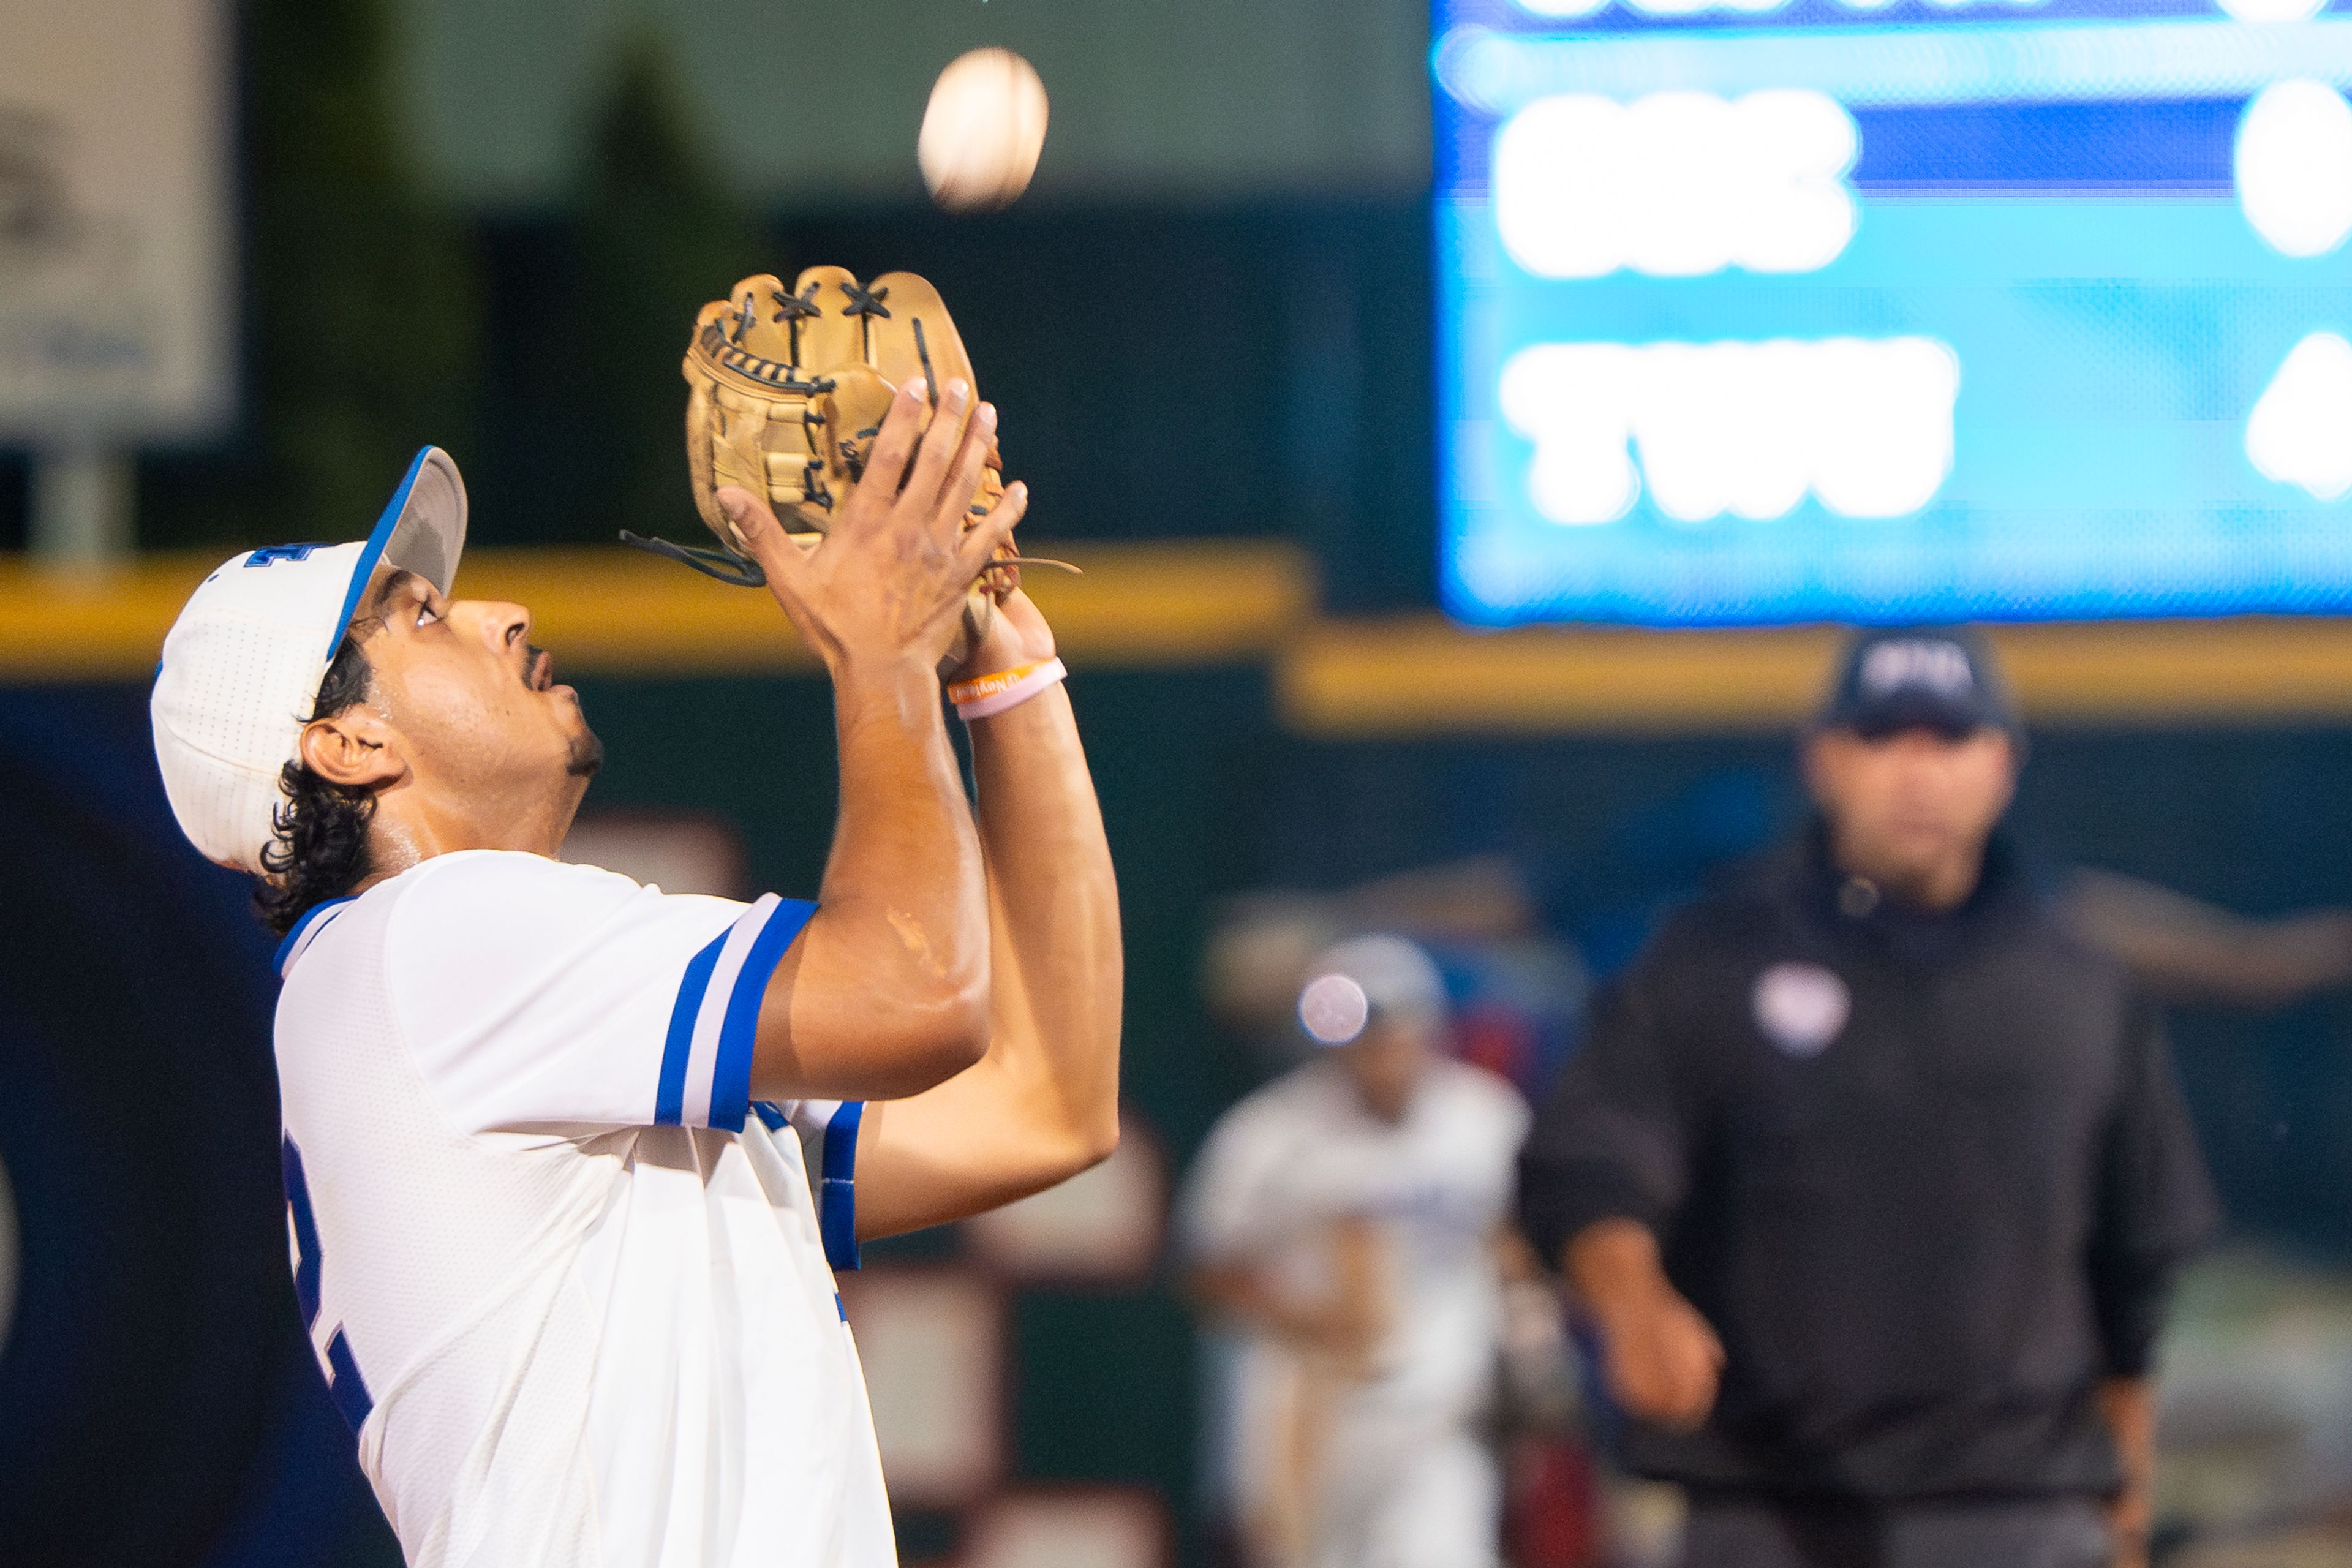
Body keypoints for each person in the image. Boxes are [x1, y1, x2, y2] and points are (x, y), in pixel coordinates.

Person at [146, 380, 1123, 1567]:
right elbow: (912, 993)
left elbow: (1042, 1108)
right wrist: (883, 660)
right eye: (419, 617)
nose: (499, 612)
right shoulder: (426, 940)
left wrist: (1008, 679)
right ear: (350, 744)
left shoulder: (484, 1017)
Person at [1516, 626, 2220, 1568]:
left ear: (2004, 765)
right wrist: (1632, 1301)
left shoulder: (2082, 991)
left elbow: (2133, 1269)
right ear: (1825, 760)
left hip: (2019, 1513)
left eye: (1950, 740)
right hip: (1770, 1512)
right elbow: (1591, 1161)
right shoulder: (1710, 961)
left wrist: (2125, 1489)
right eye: (1883, 739)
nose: (1916, 774)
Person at [1182, 935, 1536, 1568]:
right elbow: (1208, 1270)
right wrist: (1311, 1316)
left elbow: (1513, 1242)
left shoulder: (1483, 1118)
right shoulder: (1271, 1134)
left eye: (1390, 1027)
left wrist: (1531, 1337)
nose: (1377, 1052)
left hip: (1441, 1405)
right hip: (1310, 1407)